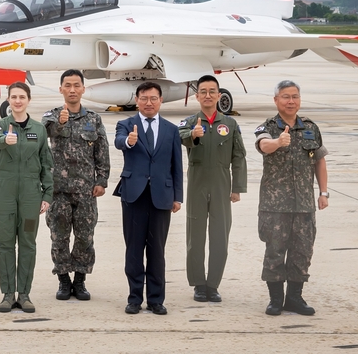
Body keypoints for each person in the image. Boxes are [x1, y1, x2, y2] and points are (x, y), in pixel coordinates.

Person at [254, 80, 329, 316]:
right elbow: (263, 145)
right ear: (276, 100)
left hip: (304, 205)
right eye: (285, 96)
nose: (290, 101)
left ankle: (294, 298)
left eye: (295, 96)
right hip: (275, 206)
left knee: (302, 252)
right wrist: (278, 142)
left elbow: (319, 160)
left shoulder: (310, 127)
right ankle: (275, 299)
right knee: (275, 251)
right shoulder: (266, 126)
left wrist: (323, 192)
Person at [114, 81, 183, 316]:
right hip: (134, 195)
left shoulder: (171, 130)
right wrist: (128, 142)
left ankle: (156, 299)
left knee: (157, 251)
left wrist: (178, 197)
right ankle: (134, 298)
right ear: (137, 100)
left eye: (153, 98)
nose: (149, 103)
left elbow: (177, 166)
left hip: (162, 196)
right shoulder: (126, 124)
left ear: (161, 100)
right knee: (133, 250)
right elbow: (119, 141)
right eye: (144, 98)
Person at [178, 75, 247, 303]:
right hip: (197, 184)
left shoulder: (230, 124)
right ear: (196, 96)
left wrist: (237, 187)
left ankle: (213, 284)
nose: (207, 96)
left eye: (212, 91)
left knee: (220, 237)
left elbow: (239, 156)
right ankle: (198, 284)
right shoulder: (189, 122)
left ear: (219, 95)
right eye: (203, 92)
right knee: (195, 237)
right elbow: (179, 137)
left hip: (221, 184)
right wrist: (192, 135)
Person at [41, 69, 109, 301]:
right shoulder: (51, 116)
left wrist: (102, 180)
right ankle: (63, 280)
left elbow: (102, 150)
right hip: (58, 190)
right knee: (59, 237)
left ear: (82, 89)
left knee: (84, 237)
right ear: (60, 89)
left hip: (86, 190)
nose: (72, 89)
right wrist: (60, 124)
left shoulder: (93, 119)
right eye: (67, 85)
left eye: (76, 85)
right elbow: (46, 132)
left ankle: (80, 281)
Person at [0, 82, 54, 313]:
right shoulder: (0, 124)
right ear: (8, 100)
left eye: (21, 97)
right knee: (5, 244)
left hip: (30, 195)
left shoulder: (39, 128)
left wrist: (47, 193)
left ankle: (24, 294)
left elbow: (47, 164)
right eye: (13, 97)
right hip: (4, 193)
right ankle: (8, 294)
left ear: (28, 100)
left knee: (27, 244)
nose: (17, 101)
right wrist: (4, 140)